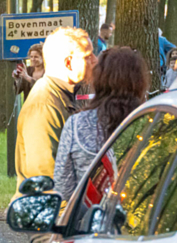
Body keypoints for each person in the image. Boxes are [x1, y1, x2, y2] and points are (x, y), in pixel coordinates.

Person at [54, 46, 147, 200]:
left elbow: (63, 189)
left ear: (99, 80)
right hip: (142, 220)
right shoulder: (152, 122)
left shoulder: (76, 125)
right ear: (139, 82)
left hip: (90, 218)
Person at [14, 26, 91, 198]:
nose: (94, 61)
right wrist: (64, 218)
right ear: (68, 62)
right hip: (54, 214)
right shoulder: (44, 106)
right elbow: (46, 179)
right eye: (88, 56)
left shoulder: (62, 95)